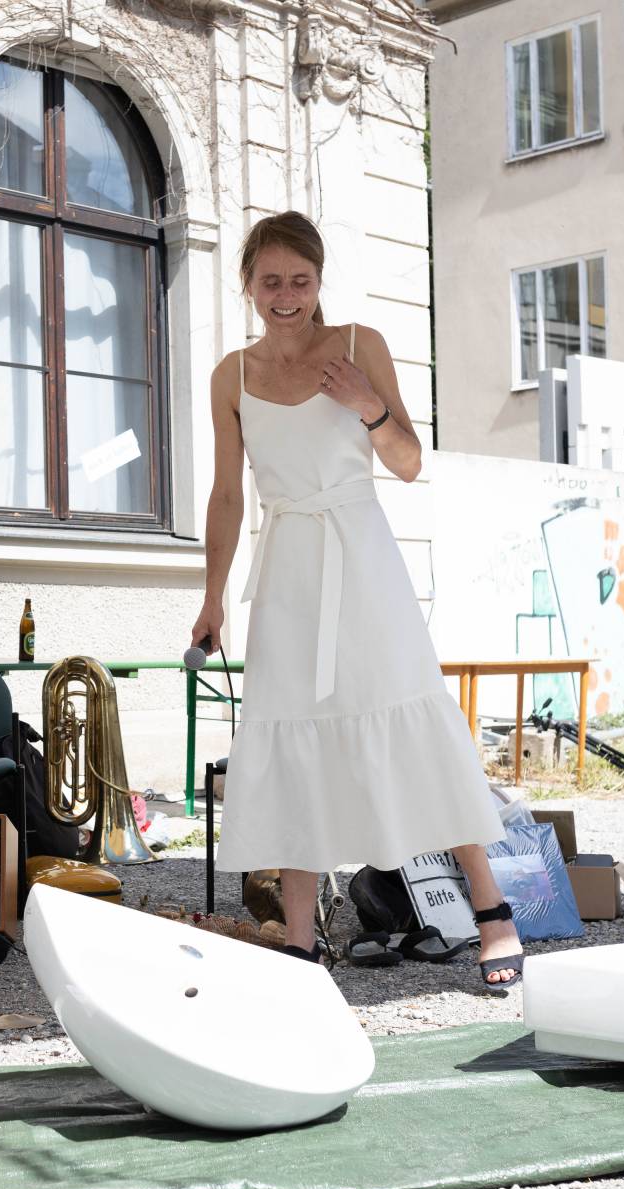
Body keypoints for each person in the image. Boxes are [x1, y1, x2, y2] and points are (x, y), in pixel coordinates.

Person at [192, 212, 523, 991]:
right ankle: (303, 945)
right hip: (287, 574)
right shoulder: (231, 377)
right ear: (246, 283)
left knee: (408, 715)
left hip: (362, 559)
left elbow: (408, 463)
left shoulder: (356, 345)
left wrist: (368, 403)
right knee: (293, 739)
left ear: (318, 282)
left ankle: (491, 912)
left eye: (299, 281)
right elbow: (228, 495)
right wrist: (212, 598)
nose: (285, 296)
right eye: (270, 281)